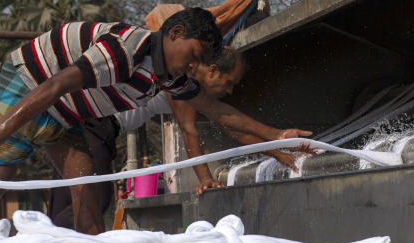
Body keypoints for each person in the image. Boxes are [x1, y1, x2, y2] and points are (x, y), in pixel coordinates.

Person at [0, 8, 310, 234]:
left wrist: (277, 136)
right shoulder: (124, 51)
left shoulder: (170, 76)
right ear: (175, 34)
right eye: (194, 55)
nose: (194, 66)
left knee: (87, 181)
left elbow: (218, 113)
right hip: (31, 84)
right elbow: (55, 84)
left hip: (66, 112)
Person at [112, 46, 308, 195]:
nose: (230, 91)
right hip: (103, 122)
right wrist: (206, 178)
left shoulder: (197, 90)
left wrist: (277, 153)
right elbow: (189, 130)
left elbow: (234, 129)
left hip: (112, 127)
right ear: (213, 71)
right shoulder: (183, 79)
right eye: (229, 83)